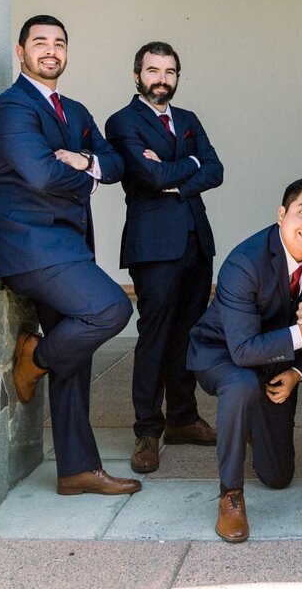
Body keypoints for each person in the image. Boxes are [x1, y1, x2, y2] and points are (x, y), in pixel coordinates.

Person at [0, 14, 139, 496]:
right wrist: (87, 173)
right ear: (21, 51)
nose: (50, 50)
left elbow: (117, 161)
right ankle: (35, 356)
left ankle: (76, 469)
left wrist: (87, 160)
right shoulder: (11, 108)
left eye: (59, 43)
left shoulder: (73, 110)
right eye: (40, 42)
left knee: (77, 358)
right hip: (32, 247)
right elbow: (42, 176)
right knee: (112, 308)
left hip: (66, 245)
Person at [186, 178, 302, 543]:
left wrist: (297, 372)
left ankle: (251, 421)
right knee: (240, 384)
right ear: (282, 214)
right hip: (222, 352)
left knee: (277, 476)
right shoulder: (244, 263)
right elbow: (242, 351)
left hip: (275, 361)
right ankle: (230, 495)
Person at [105, 41, 224, 474]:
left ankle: (183, 418)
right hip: (153, 245)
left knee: (188, 333)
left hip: (196, 240)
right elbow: (149, 176)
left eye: (169, 71)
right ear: (137, 76)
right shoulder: (122, 122)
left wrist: (182, 169)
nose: (162, 79)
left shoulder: (188, 120)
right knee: (155, 334)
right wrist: (186, 167)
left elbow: (216, 169)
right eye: (153, 71)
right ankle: (147, 430)